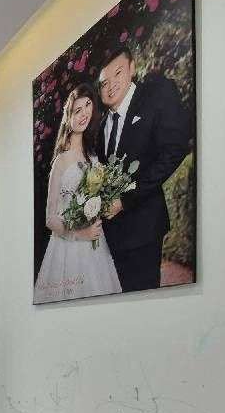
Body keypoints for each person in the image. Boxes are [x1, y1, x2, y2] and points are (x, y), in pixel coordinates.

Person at [97, 45, 189, 292]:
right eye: (104, 82)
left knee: (143, 301)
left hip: (143, 231)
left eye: (118, 73)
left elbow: (174, 151)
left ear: (132, 68)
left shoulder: (154, 99)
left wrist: (125, 200)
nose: (111, 85)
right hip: (109, 237)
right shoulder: (102, 125)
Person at [34, 83, 122, 303]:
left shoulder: (94, 157)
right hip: (68, 248)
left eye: (88, 105)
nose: (84, 114)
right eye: (77, 110)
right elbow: (50, 218)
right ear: (69, 117)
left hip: (96, 244)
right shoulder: (61, 161)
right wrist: (80, 234)